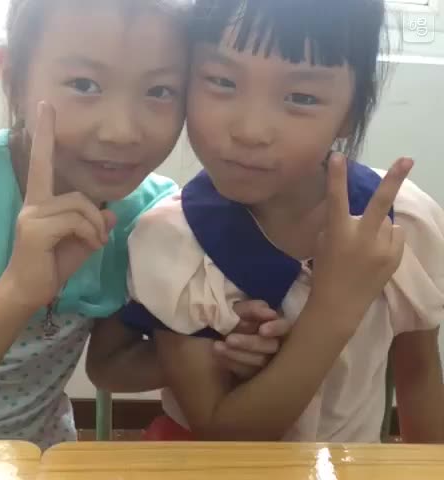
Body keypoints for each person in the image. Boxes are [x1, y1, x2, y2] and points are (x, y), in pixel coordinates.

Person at [91, 0, 444, 442]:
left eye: (301, 97)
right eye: (222, 81)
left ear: (350, 112)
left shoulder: (399, 222)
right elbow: (223, 435)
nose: (251, 131)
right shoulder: (174, 242)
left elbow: (419, 373)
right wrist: (333, 308)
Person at [0, 0, 284, 450]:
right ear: (13, 77)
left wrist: (216, 347)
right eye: (84, 84)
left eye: (160, 91)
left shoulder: (148, 217)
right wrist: (16, 293)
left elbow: (109, 367)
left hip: (39, 457)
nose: (122, 131)